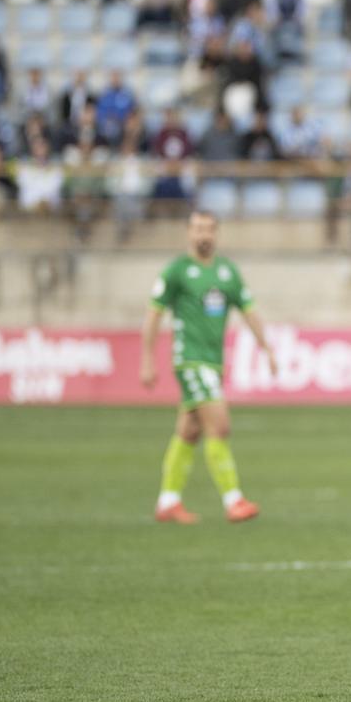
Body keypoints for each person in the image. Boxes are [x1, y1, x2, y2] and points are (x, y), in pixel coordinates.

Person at [139, 210, 277, 524]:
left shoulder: (227, 272)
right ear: (188, 232)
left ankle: (168, 501)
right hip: (190, 359)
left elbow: (249, 310)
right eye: (198, 229)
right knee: (220, 425)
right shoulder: (176, 271)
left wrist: (266, 347)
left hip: (213, 362)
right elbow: (153, 315)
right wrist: (147, 360)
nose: (204, 235)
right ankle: (234, 500)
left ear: (217, 233)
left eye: (209, 229)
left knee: (189, 431)